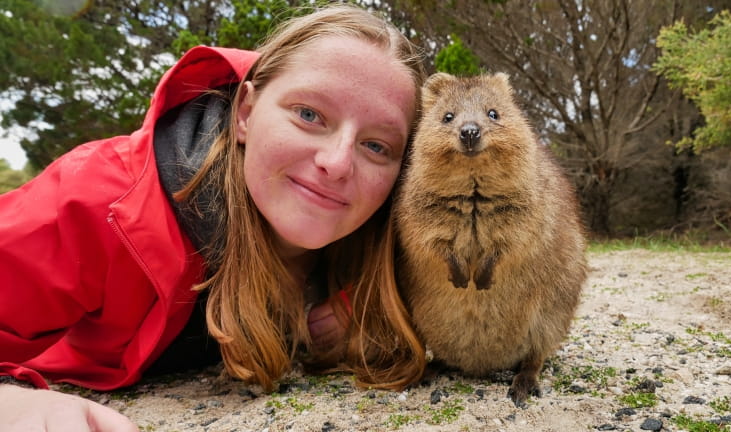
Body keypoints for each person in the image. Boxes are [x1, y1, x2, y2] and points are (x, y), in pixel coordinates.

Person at [0, 4, 427, 430]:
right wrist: (13, 402)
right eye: (309, 114)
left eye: (376, 146)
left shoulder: (408, 234)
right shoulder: (103, 199)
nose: (337, 163)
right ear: (245, 111)